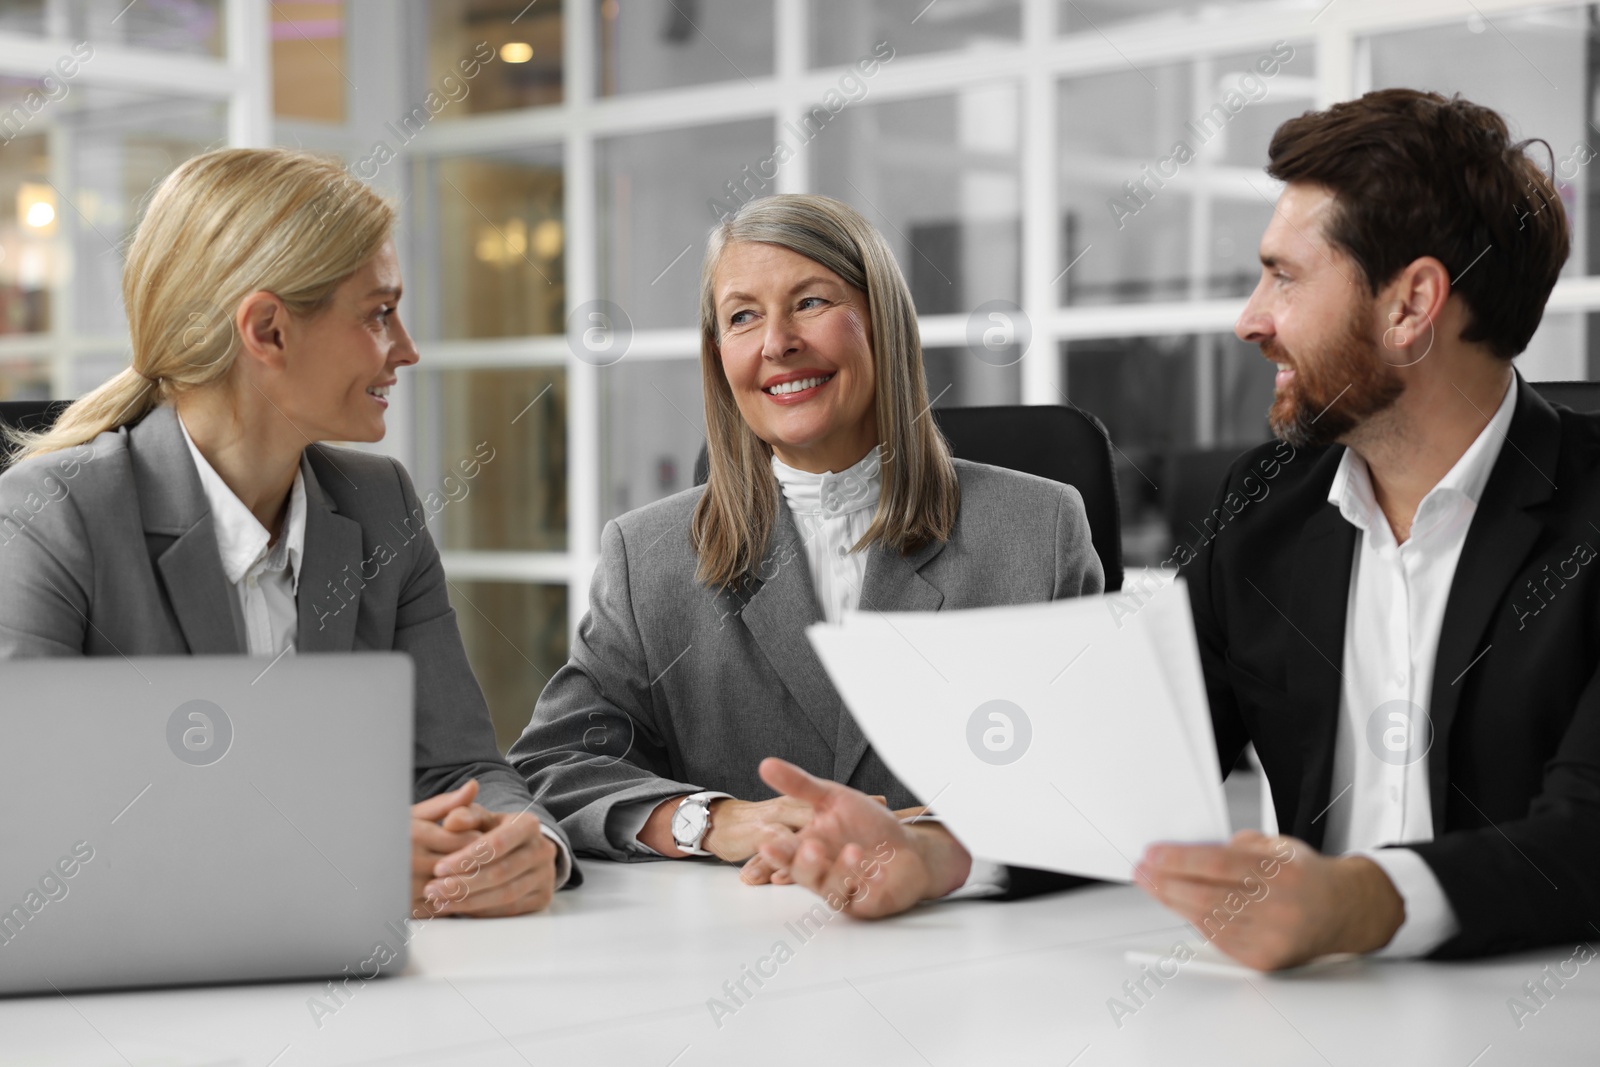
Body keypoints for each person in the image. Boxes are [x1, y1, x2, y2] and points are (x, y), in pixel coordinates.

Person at [755, 88, 1600, 967]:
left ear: (1411, 302)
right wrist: (937, 850)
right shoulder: (1268, 503)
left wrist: (1363, 901)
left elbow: (1586, 838)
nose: (1250, 319)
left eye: (1284, 275)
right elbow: (1127, 774)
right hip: (1316, 1010)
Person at [0, 147, 577, 918]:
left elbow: (461, 766)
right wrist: (334, 856)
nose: (405, 348)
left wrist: (525, 842)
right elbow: (28, 820)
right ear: (268, 330)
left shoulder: (381, 505)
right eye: (378, 313)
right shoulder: (53, 516)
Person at [509, 194, 1102, 893]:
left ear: (880, 321)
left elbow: (1099, 780)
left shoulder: (1040, 526)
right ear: (718, 354)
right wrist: (716, 820)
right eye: (743, 317)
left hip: (979, 956)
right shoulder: (647, 555)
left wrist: (934, 854)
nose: (776, 342)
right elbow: (556, 765)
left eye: (811, 302)